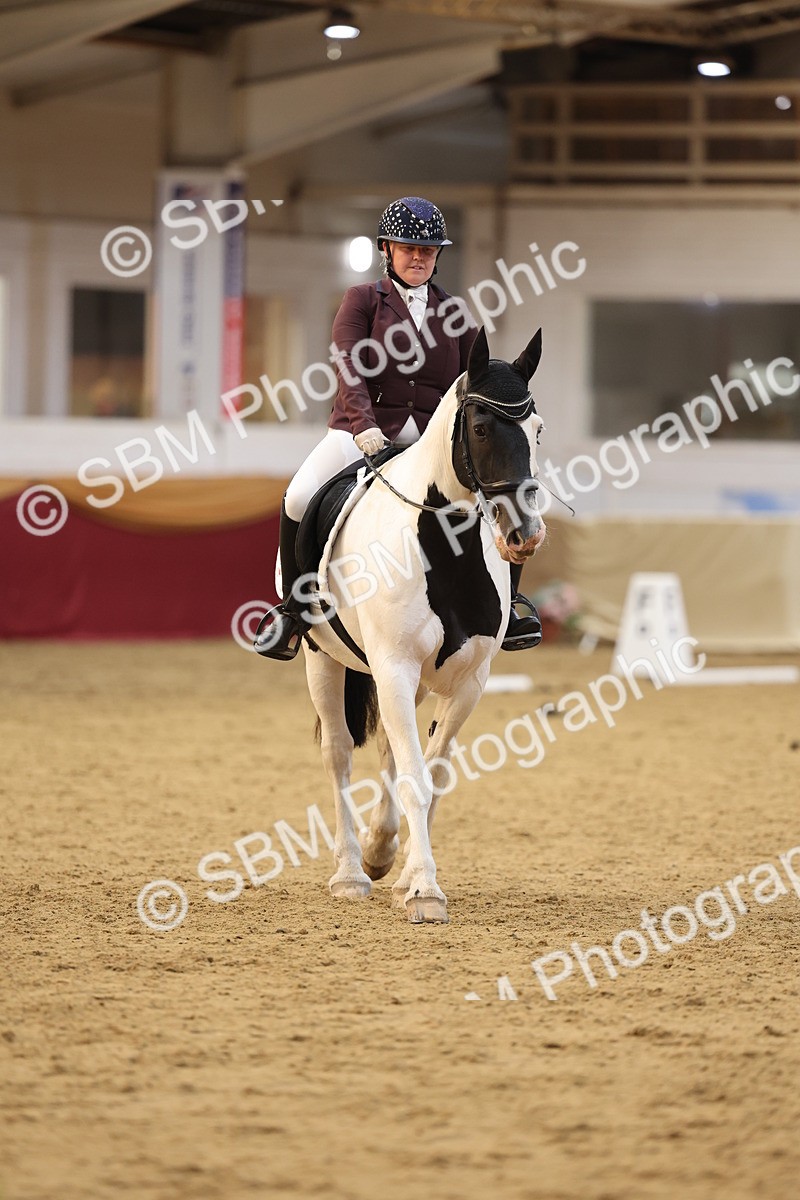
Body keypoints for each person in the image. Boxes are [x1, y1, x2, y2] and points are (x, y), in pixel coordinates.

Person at [255, 196, 541, 660]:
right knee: (299, 496)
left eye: (427, 250)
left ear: (438, 256)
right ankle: (293, 608)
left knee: (498, 496)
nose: (418, 257)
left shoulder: (456, 313)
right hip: (360, 430)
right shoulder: (363, 300)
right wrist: (364, 426)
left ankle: (509, 603)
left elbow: (476, 379)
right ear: (387, 249)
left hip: (428, 442)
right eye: (408, 247)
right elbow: (348, 366)